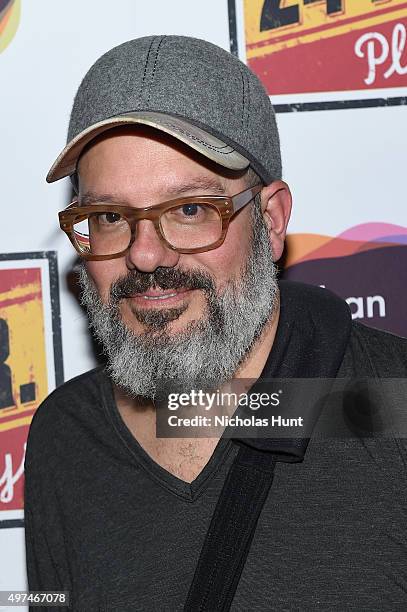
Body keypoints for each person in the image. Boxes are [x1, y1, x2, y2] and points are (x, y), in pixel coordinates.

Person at [24, 35, 407, 611]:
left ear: (272, 221)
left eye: (190, 210)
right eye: (108, 216)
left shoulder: (394, 405)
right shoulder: (65, 436)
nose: (147, 256)